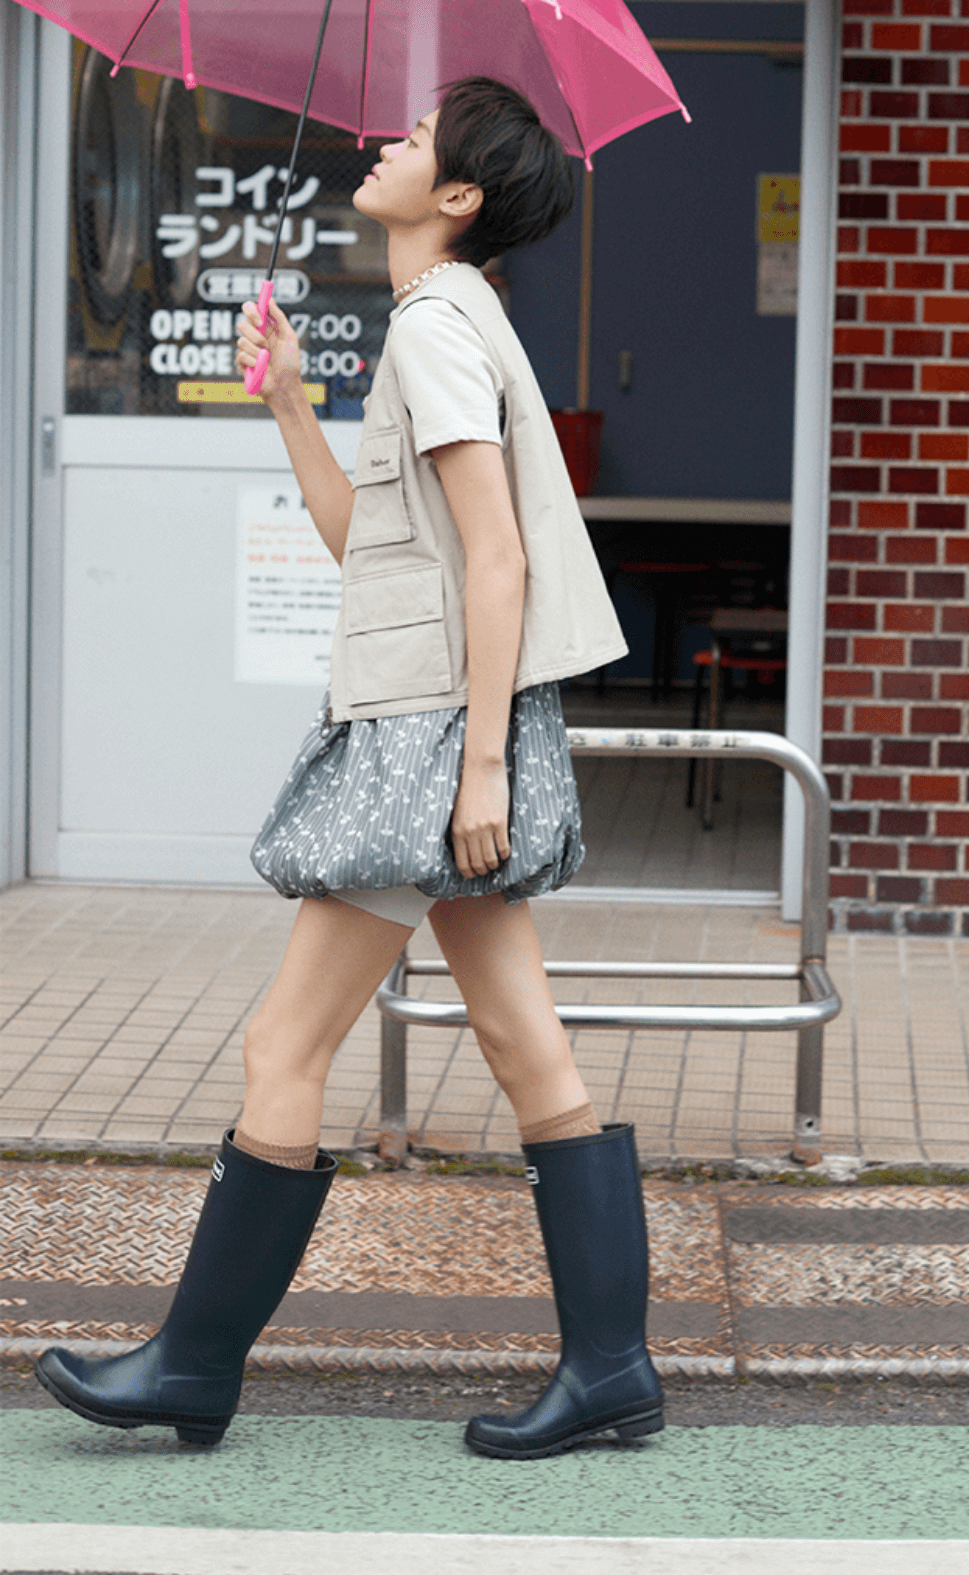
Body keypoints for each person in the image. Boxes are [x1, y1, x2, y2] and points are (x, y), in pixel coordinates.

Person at [35, 77, 662, 1461]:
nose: (387, 140)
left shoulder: (437, 325)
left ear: (457, 199)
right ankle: (611, 1365)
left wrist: (481, 765)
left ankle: (194, 1366)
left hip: (427, 739)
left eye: (420, 138)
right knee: (520, 1042)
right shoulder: (448, 324)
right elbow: (377, 551)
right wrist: (290, 407)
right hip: (439, 727)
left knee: (286, 1041)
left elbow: (495, 557)